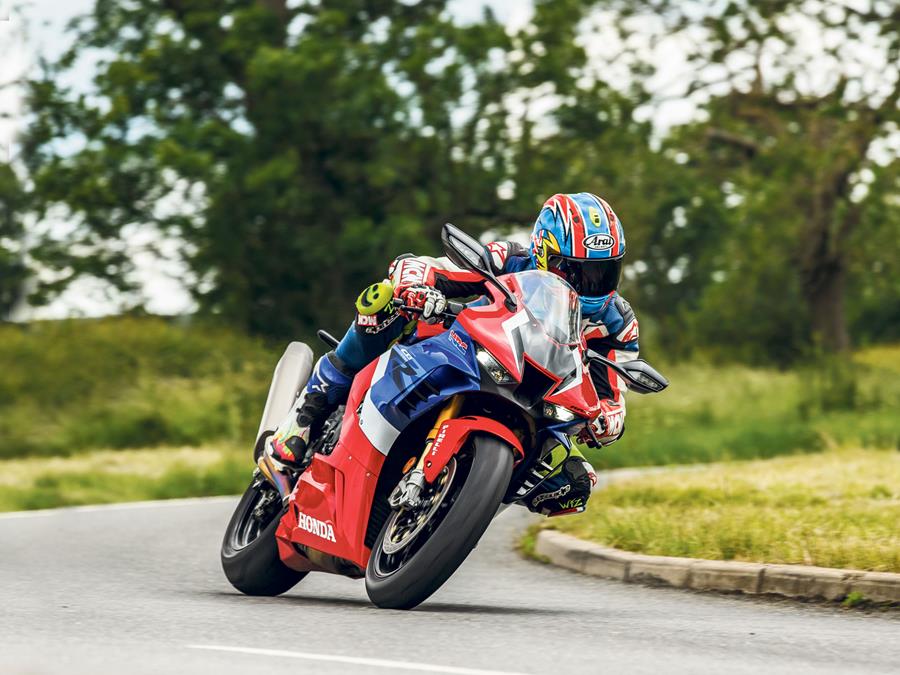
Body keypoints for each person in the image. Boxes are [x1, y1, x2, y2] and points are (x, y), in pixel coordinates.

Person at [266, 192, 639, 517]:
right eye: (577, 272)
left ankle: (466, 502)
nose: (590, 285)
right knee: (384, 303)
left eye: (603, 274)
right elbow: (439, 268)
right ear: (543, 252)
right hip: (471, 350)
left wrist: (607, 420)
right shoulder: (510, 259)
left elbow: (613, 393)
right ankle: (305, 415)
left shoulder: (617, 323)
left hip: (543, 400)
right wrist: (416, 284)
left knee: (576, 481)